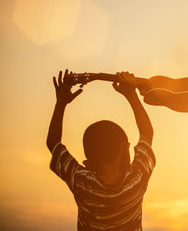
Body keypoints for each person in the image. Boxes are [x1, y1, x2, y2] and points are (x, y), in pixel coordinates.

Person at [46, 70, 155, 230]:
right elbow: (147, 132)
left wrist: (60, 103)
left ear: (88, 161)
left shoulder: (81, 183)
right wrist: (131, 94)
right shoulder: (136, 180)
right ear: (124, 149)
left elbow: (53, 143)